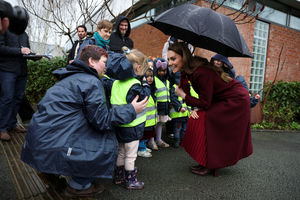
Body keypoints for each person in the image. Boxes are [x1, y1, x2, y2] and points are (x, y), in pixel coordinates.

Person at [20, 45, 148, 197]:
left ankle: (49, 171)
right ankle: (79, 185)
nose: (106, 67)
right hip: (53, 143)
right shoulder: (91, 82)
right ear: (91, 62)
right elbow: (102, 120)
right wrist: (131, 109)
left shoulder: (68, 77)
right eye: (104, 62)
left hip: (37, 141)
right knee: (103, 140)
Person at [167, 42, 253, 176]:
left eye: (173, 59)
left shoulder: (201, 73)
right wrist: (182, 79)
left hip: (236, 99)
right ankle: (205, 161)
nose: (169, 62)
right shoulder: (189, 71)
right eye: (168, 59)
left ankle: (211, 164)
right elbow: (191, 93)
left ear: (183, 58)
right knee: (199, 119)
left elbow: (204, 103)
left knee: (209, 123)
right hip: (221, 98)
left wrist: (184, 96)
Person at [112, 46, 150, 190]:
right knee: (131, 156)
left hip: (119, 125)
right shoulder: (135, 84)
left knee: (121, 152)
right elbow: (144, 98)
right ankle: (130, 180)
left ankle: (118, 176)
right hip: (132, 127)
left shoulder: (115, 83)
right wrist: (145, 83)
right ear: (138, 68)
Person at [0, 28, 32, 141]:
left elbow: (26, 51)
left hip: (22, 71)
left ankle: (12, 124)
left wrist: (34, 56)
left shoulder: (25, 35)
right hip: (7, 70)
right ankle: (2, 128)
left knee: (18, 98)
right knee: (7, 98)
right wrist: (19, 51)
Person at [147, 58, 171, 149]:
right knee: (154, 124)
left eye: (164, 71)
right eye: (160, 71)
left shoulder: (167, 81)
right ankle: (151, 141)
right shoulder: (154, 80)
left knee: (160, 123)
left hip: (164, 106)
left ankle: (159, 139)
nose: (162, 73)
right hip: (156, 106)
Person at [138, 68, 157, 157]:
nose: (150, 78)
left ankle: (143, 147)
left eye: (151, 76)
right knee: (143, 135)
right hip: (144, 119)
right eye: (147, 76)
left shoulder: (152, 89)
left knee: (148, 134)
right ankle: (141, 149)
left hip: (150, 120)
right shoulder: (143, 89)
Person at [169, 72, 189, 148]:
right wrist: (179, 107)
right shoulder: (174, 87)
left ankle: (182, 140)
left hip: (186, 113)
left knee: (184, 128)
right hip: (178, 113)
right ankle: (176, 141)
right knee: (177, 128)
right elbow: (173, 99)